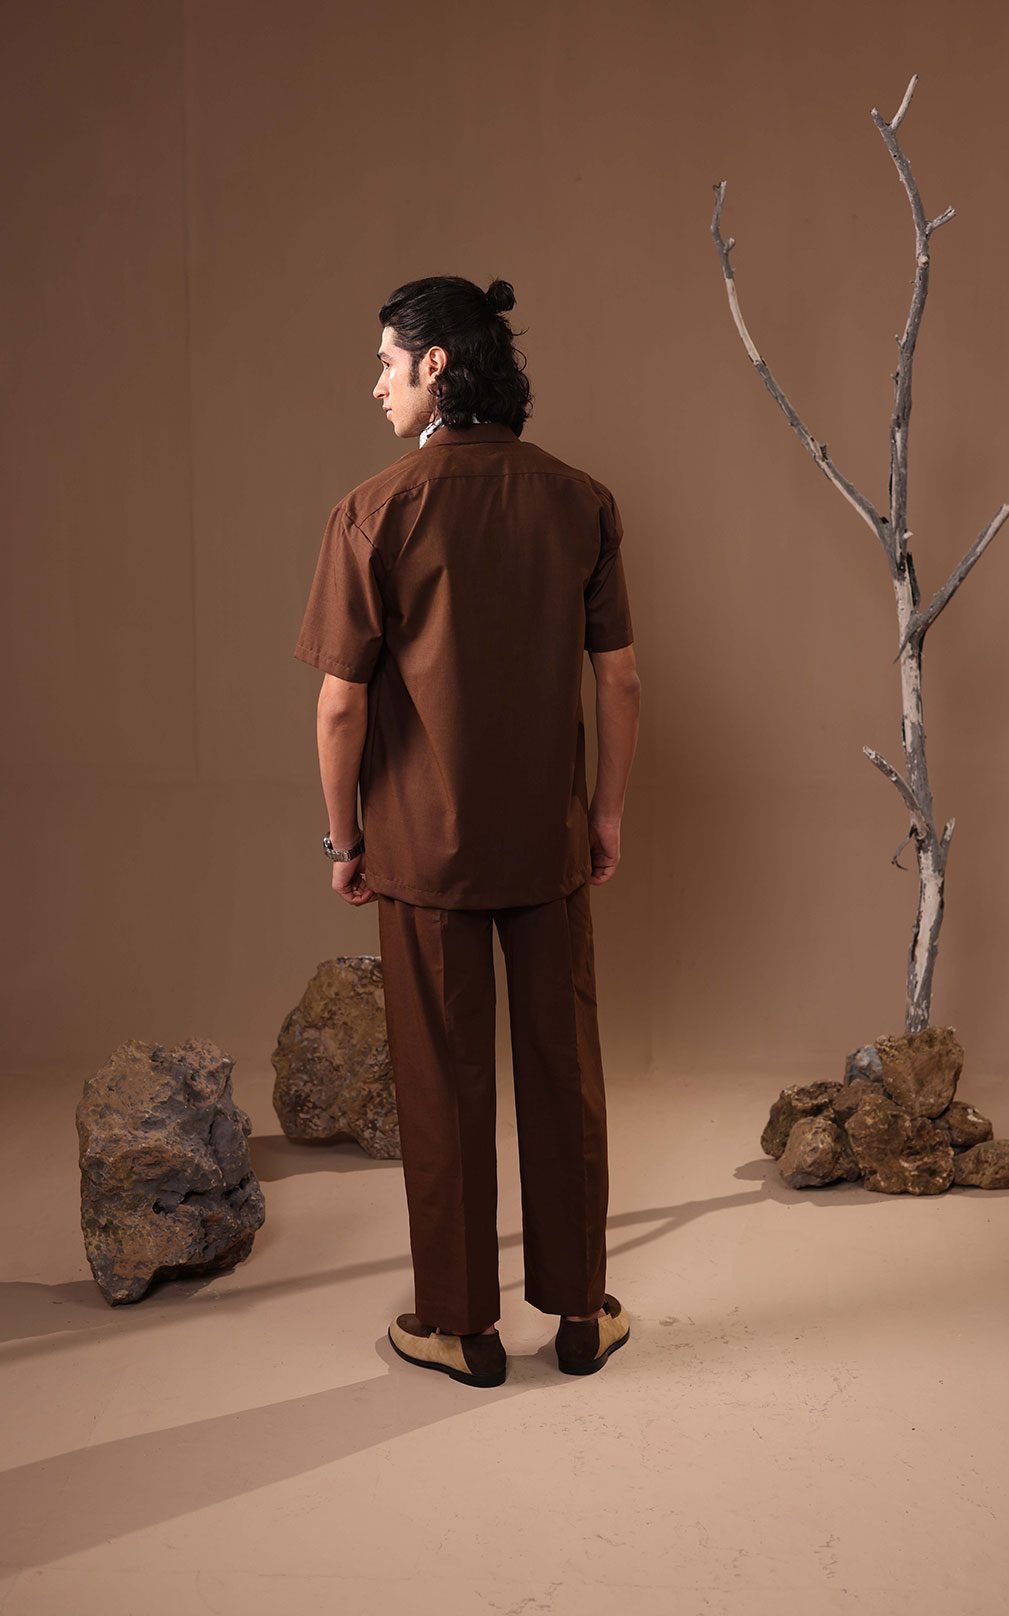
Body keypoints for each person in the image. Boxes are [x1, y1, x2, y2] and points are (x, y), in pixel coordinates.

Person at [294, 274, 640, 1388]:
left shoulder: (374, 510)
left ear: (436, 363)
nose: (376, 385)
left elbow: (340, 705)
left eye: (386, 362)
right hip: (546, 844)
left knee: (442, 1087)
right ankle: (580, 1313)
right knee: (563, 1076)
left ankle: (459, 1327)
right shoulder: (581, 501)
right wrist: (604, 813)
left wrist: (343, 841)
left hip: (420, 853)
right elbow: (620, 680)